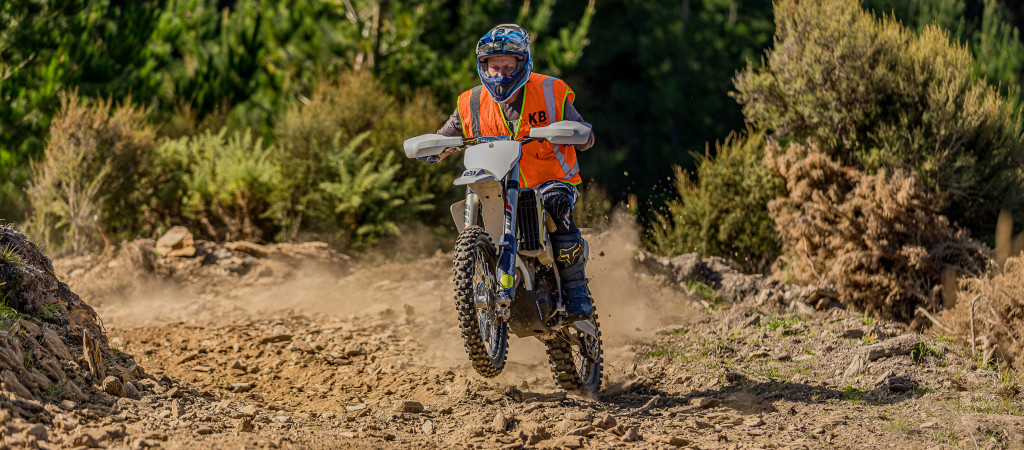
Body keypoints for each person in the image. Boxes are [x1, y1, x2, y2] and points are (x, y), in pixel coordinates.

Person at [430, 23, 596, 320]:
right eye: (494, 67)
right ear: (484, 66)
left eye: (507, 67)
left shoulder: (550, 91)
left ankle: (576, 291)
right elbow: (446, 135)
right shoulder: (470, 102)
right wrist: (433, 148)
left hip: (549, 181)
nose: (500, 75)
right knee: (477, 205)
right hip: (497, 184)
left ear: (522, 63)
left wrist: (575, 133)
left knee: (556, 205)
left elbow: (585, 134)